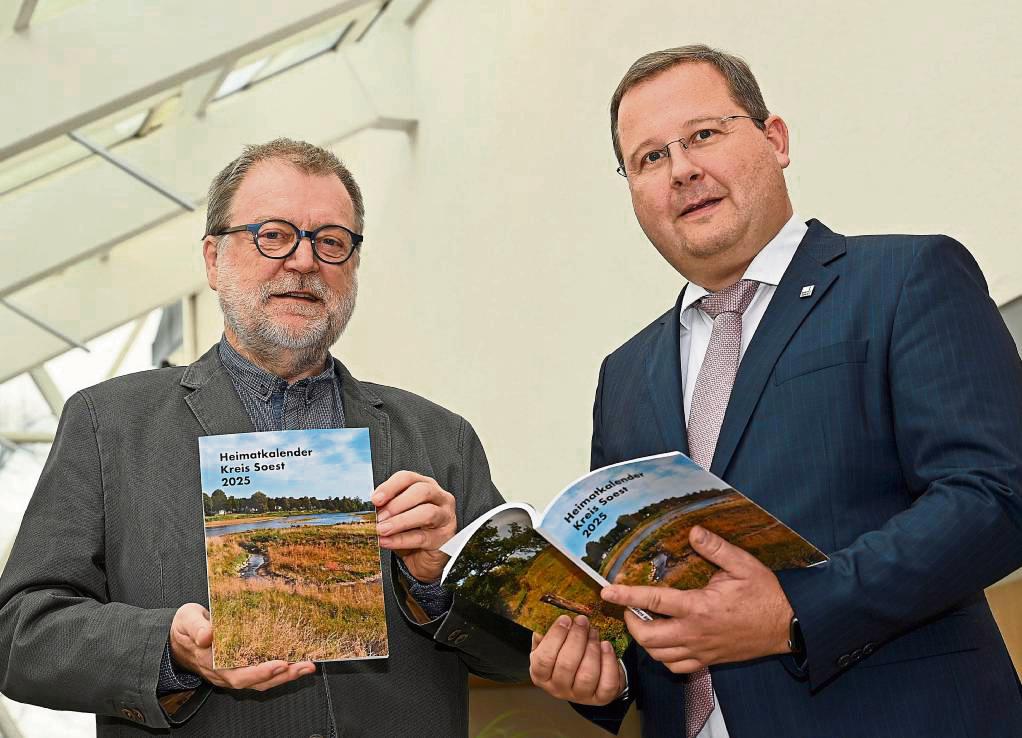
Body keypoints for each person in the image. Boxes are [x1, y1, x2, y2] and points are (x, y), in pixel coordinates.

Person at [529, 45, 1022, 738]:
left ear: (775, 138)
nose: (682, 170)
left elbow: (996, 497)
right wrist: (598, 676)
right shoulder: (624, 374)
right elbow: (648, 598)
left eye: (703, 135)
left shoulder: (906, 278)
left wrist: (797, 608)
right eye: (649, 158)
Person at [0, 138, 528, 737]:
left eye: (330, 241)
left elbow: (522, 649)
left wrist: (438, 582)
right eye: (273, 235)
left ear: (353, 264)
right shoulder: (109, 425)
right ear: (213, 259)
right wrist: (168, 649)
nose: (304, 262)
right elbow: (20, 632)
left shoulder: (442, 441)